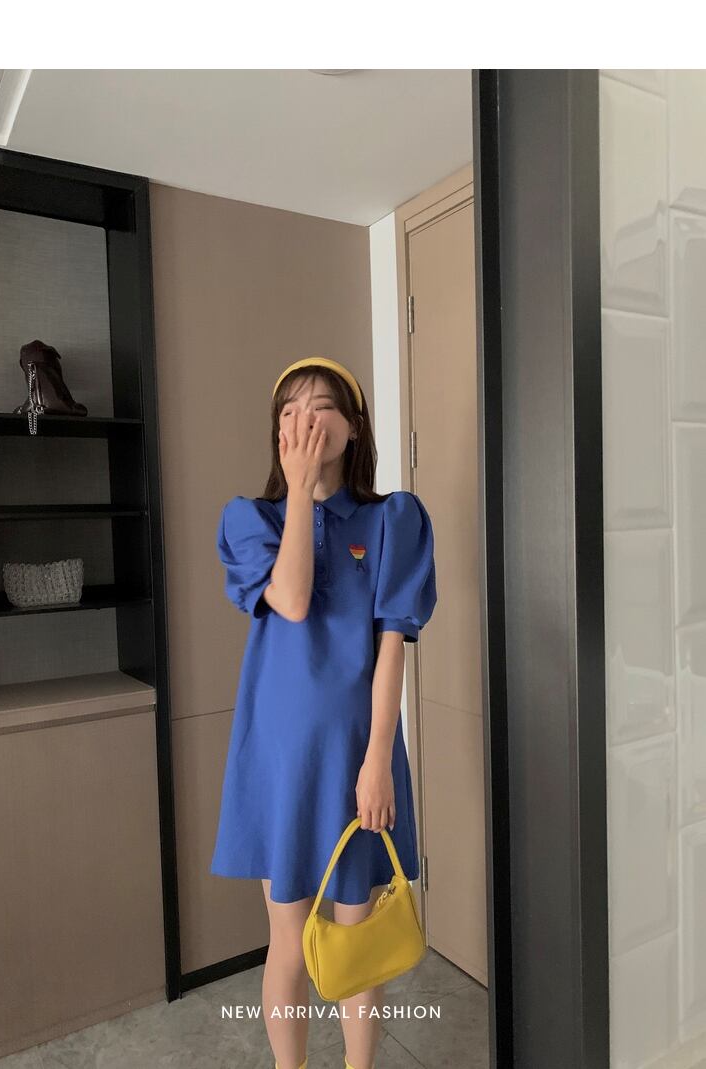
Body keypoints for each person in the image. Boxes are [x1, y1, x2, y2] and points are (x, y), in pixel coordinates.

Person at [210, 355, 437, 1069]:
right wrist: (302, 492)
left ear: (354, 425)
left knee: (356, 936)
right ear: (276, 433)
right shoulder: (249, 519)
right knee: (286, 940)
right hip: (280, 761)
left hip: (358, 754)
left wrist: (378, 761)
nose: (305, 419)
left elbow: (392, 647)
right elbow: (293, 598)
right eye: (289, 410)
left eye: (322, 405)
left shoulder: (392, 518)